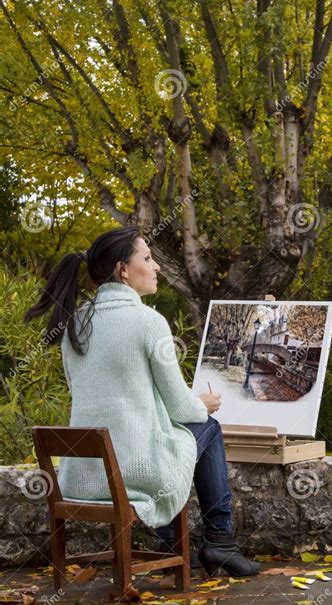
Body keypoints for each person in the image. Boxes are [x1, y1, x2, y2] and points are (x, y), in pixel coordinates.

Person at [24, 226, 260, 577]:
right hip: (132, 472)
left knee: (166, 437)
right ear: (123, 269)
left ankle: (169, 544)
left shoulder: (74, 324)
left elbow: (95, 397)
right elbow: (181, 408)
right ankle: (220, 542)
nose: (156, 267)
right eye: (147, 258)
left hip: (81, 476)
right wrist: (203, 403)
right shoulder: (149, 323)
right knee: (206, 426)